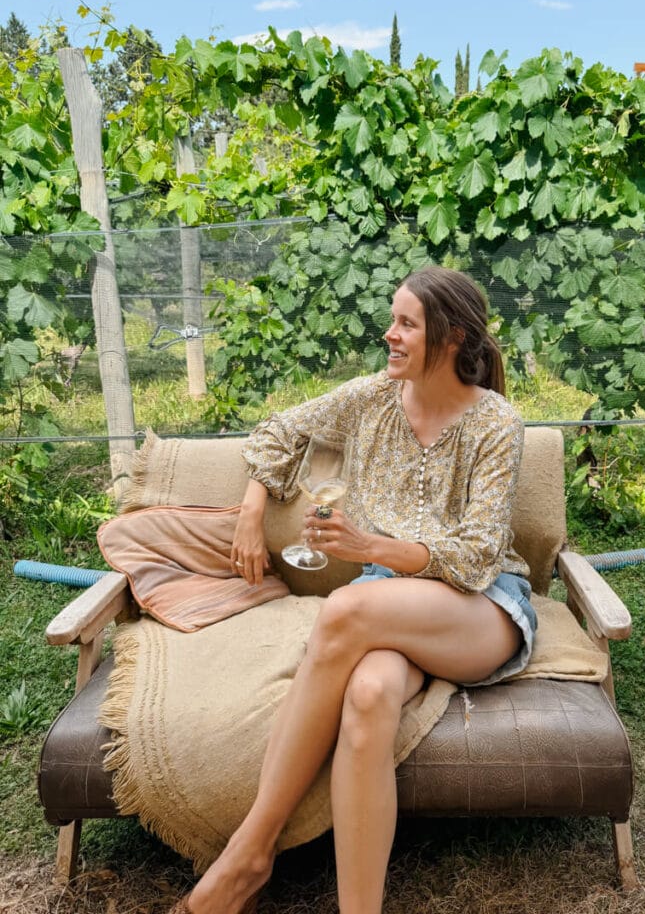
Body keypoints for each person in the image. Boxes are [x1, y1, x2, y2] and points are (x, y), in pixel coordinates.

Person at [171, 266, 536, 914]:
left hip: (478, 605)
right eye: (392, 320)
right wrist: (252, 513)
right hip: (388, 601)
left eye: (406, 324)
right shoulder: (371, 398)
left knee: (347, 607)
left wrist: (369, 548)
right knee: (367, 695)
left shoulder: (496, 422)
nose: (389, 334)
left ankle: (248, 854)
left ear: (452, 337)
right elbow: (280, 431)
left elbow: (477, 555)